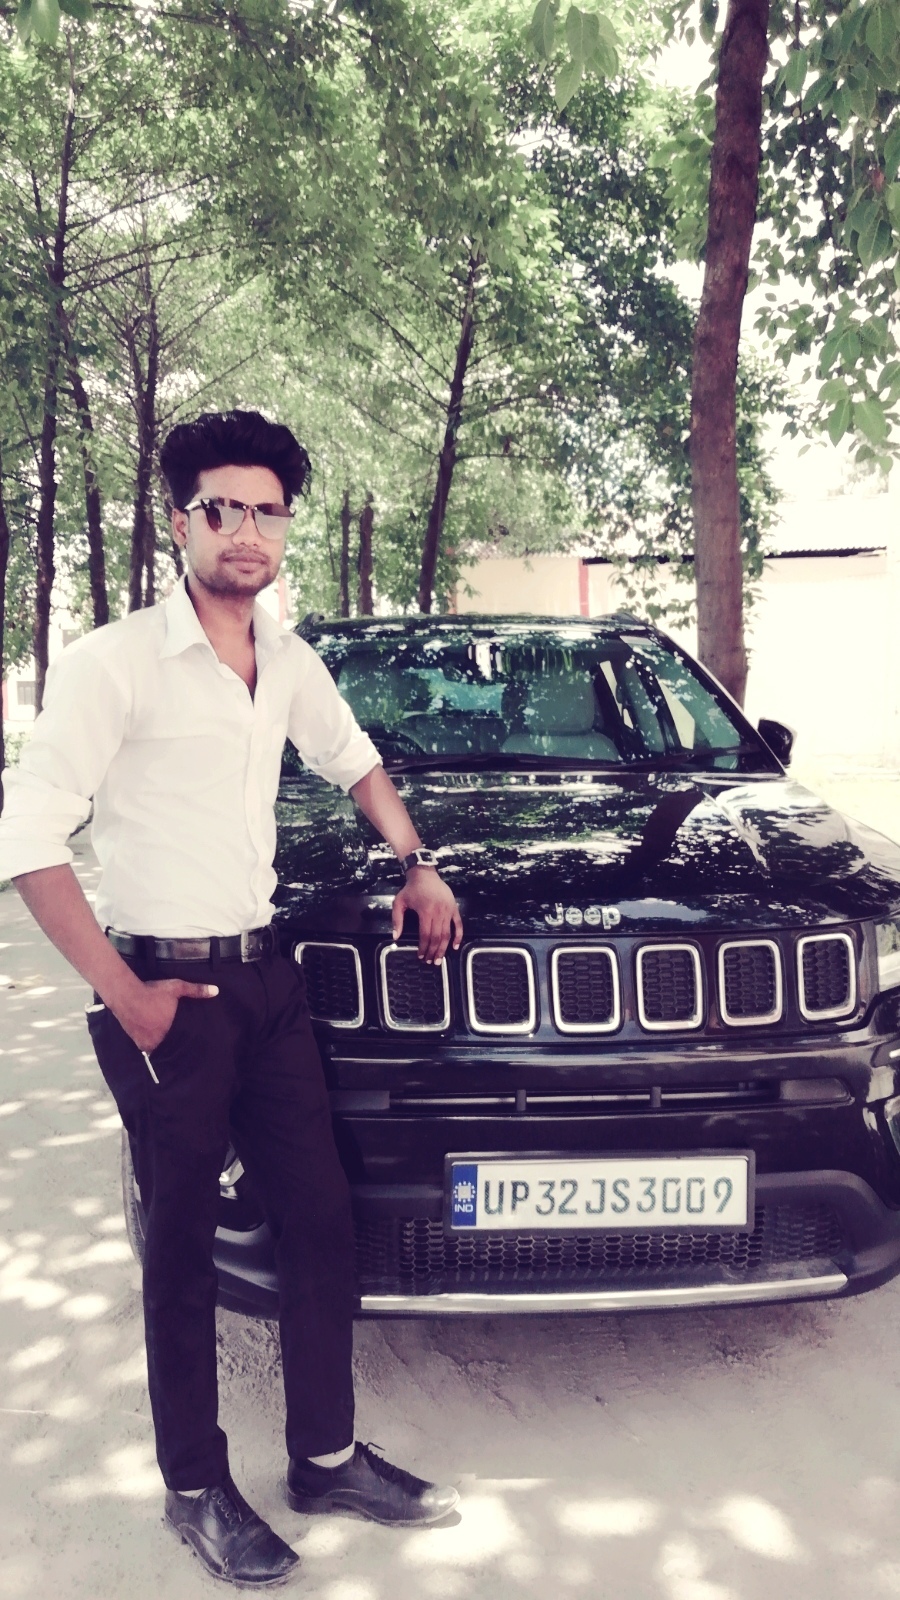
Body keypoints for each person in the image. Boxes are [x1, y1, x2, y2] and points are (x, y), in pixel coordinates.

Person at [0, 409, 464, 1588]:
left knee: (319, 1219)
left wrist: (415, 860)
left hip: (267, 981)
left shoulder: (287, 658)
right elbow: (28, 837)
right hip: (168, 992)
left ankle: (325, 1457)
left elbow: (353, 757)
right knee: (183, 1251)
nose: (248, 530)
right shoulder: (114, 664)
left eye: (268, 510)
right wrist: (126, 994)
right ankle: (196, 1487)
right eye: (225, 508)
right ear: (181, 520)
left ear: (285, 525)